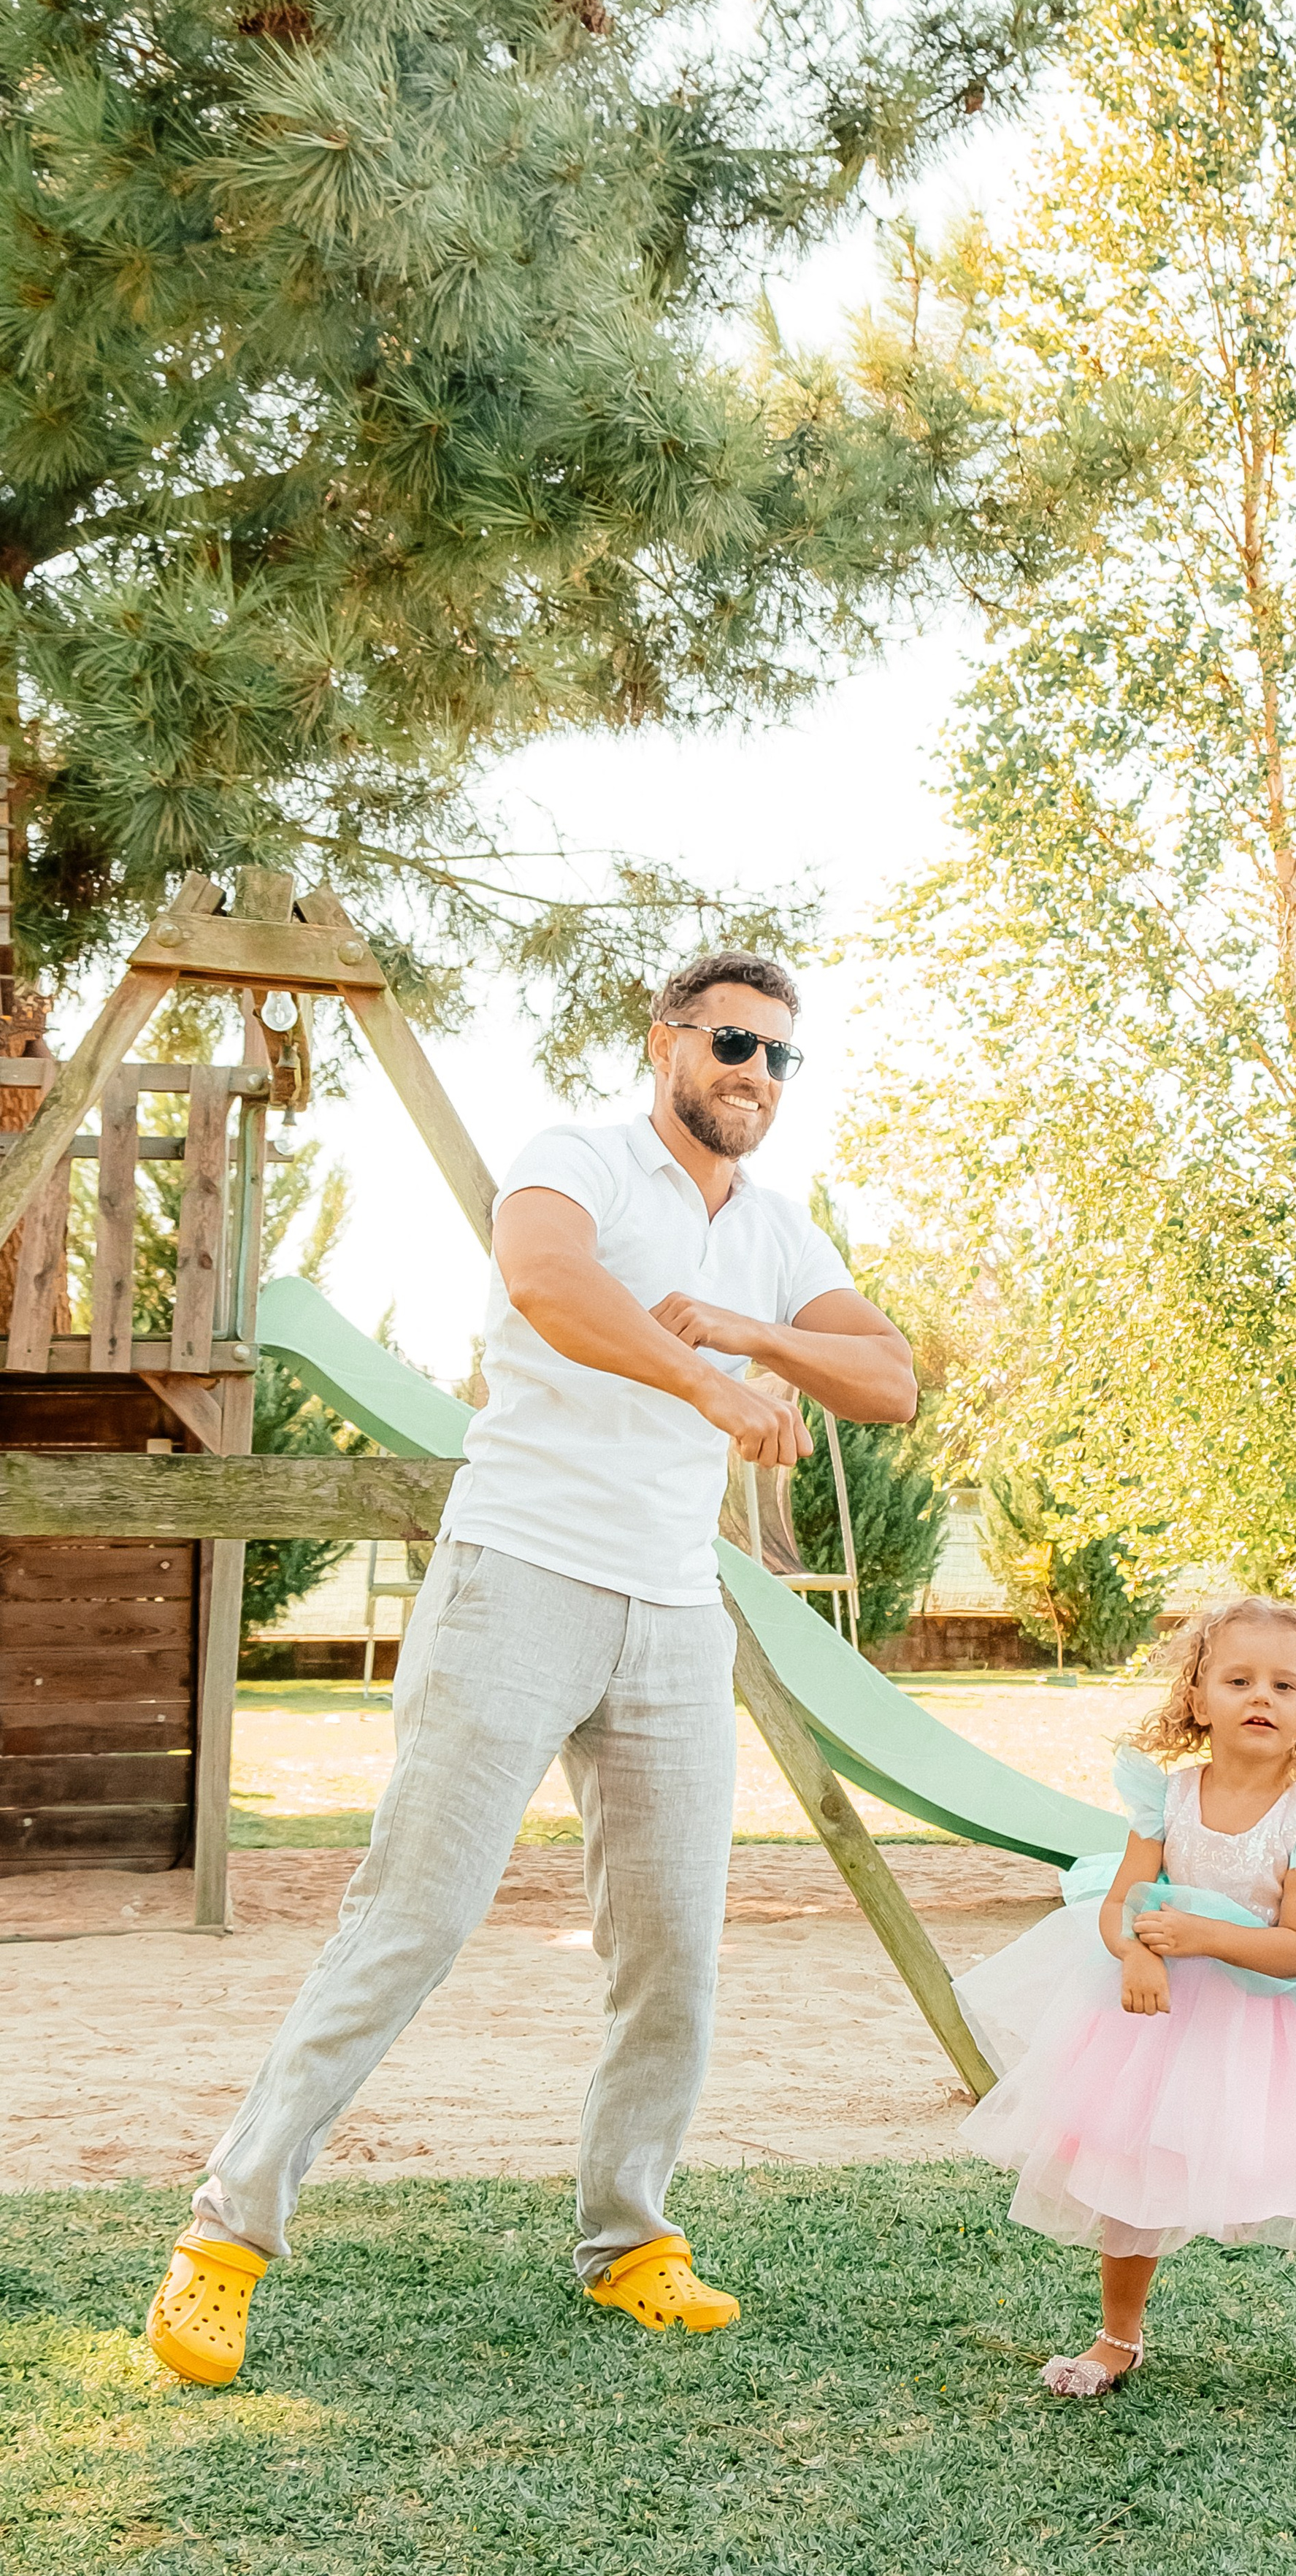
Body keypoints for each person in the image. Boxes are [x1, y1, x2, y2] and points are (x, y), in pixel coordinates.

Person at [146, 952, 916, 2388]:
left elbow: (889, 1379)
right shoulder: (582, 1159)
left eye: (779, 1060)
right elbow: (549, 1282)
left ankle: (627, 2240)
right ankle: (224, 2234)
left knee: (672, 1948)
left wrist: (750, 1331)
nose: (753, 1075)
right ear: (667, 1042)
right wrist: (702, 1379)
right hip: (520, 1573)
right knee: (413, 1918)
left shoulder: (775, 1229)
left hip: (677, 1611)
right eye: (733, 1045)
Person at [956, 1595, 1296, 2415]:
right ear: (1196, 1697)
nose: (1261, 1697)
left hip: (1275, 2022)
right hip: (1164, 2017)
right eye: (1239, 1679)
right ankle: (1118, 2335)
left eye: (1285, 1686)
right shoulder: (1166, 1801)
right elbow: (1118, 1904)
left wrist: (1197, 1936)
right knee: (1131, 2168)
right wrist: (1139, 1950)